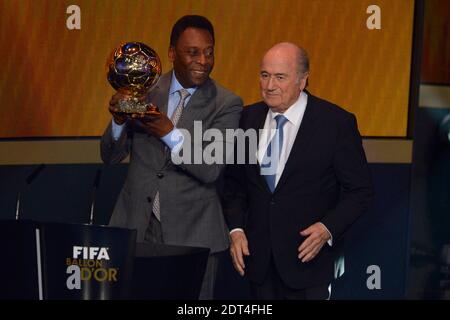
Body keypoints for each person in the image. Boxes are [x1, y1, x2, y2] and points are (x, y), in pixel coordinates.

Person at [100, 15, 243, 299]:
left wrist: (168, 132)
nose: (203, 60)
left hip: (195, 236)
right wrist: (118, 121)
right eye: (193, 52)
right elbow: (110, 156)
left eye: (209, 51)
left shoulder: (227, 103)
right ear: (171, 53)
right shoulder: (145, 89)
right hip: (136, 229)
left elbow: (211, 169)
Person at [222, 42, 374, 300]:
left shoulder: (336, 124)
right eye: (264, 75)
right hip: (257, 266)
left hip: (308, 267)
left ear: (302, 81)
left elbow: (360, 191)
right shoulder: (246, 119)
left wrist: (327, 228)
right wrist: (235, 230)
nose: (269, 86)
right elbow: (234, 186)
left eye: (280, 77)